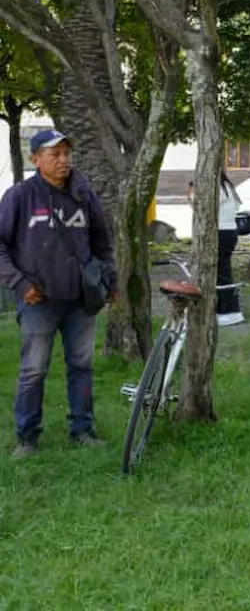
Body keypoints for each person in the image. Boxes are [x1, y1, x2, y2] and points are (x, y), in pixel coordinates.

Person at [0, 129, 115, 457]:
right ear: (36, 160)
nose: (64, 160)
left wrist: (113, 283)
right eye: (55, 154)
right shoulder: (19, 197)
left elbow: (102, 243)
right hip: (39, 302)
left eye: (67, 154)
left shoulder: (84, 193)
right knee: (34, 369)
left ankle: (82, 429)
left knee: (81, 366)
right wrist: (21, 285)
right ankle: (27, 437)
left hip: (81, 300)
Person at [189, 172, 245, 327]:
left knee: (222, 273)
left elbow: (202, 207)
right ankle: (225, 308)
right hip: (230, 231)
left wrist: (192, 193)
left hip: (220, 232)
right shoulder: (228, 187)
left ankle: (230, 311)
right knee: (223, 270)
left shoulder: (216, 189)